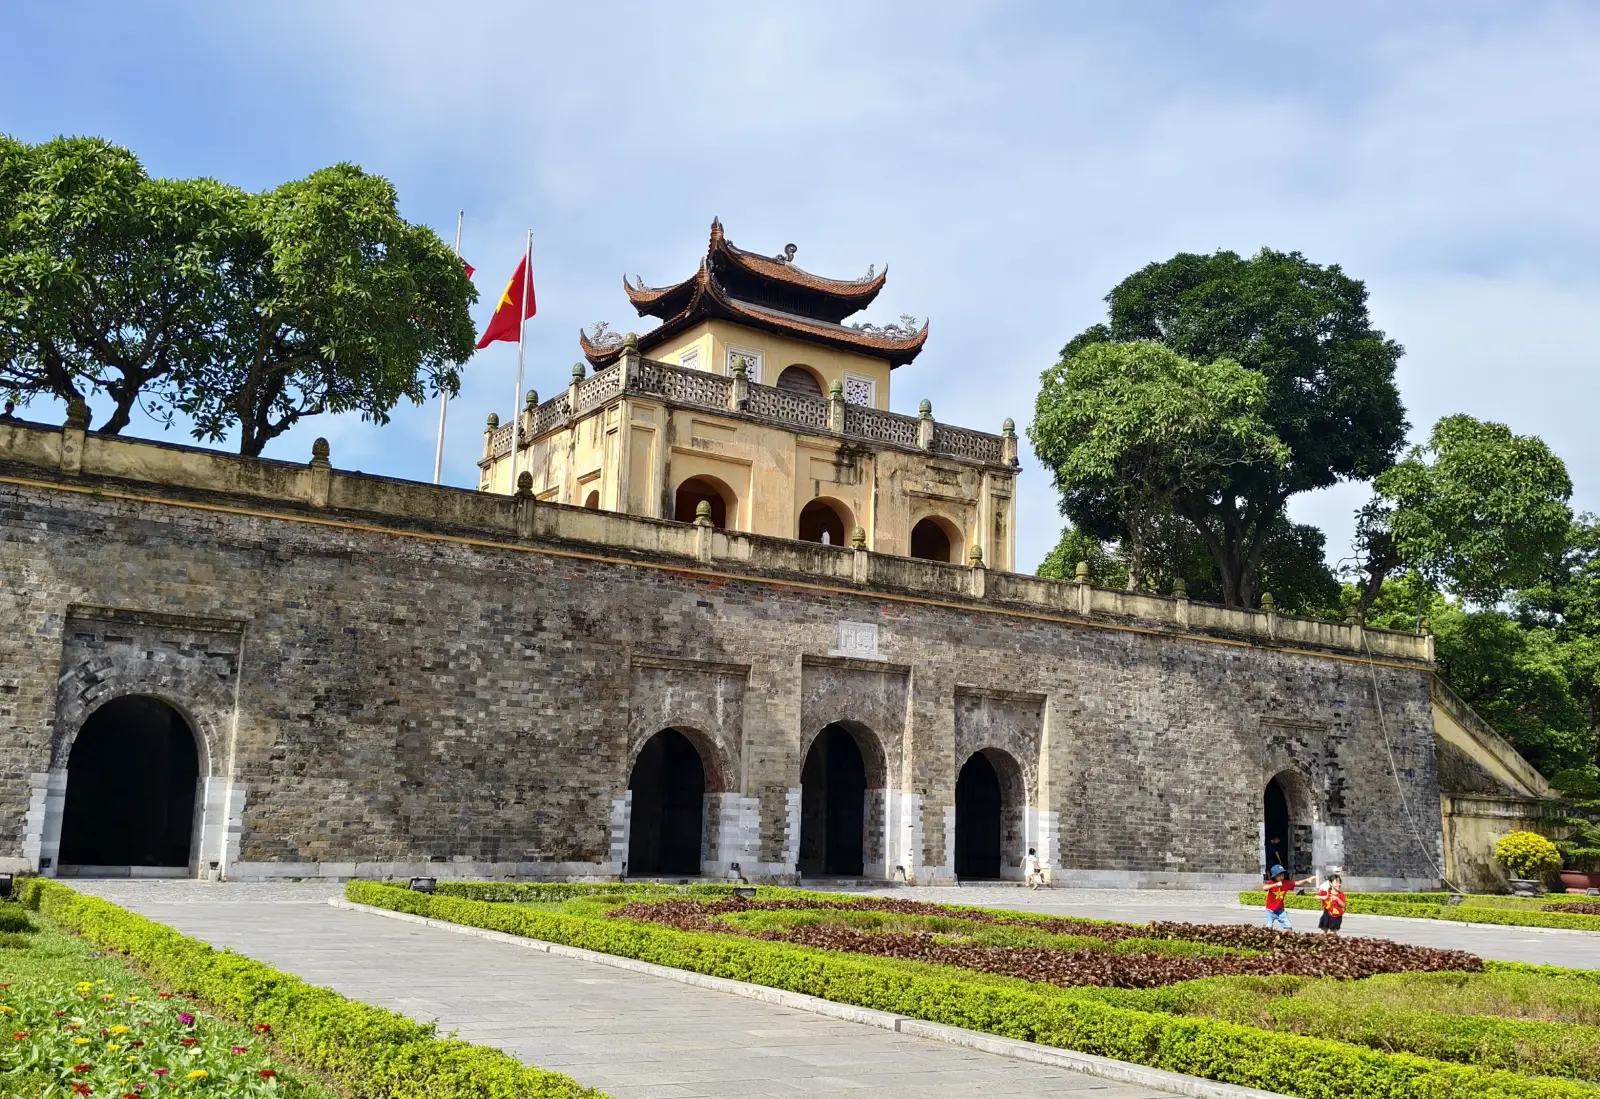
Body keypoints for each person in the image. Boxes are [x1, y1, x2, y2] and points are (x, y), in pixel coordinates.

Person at [1263, 864, 1313, 931]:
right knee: (1269, 927)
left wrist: (1306, 880)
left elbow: (1297, 883)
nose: (1281, 877)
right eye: (1279, 875)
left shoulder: (1286, 883)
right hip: (1270, 910)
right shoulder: (1271, 882)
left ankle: (1289, 937)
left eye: (1282, 875)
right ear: (1274, 876)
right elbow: (1264, 887)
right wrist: (1276, 884)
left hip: (1280, 910)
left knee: (1288, 926)